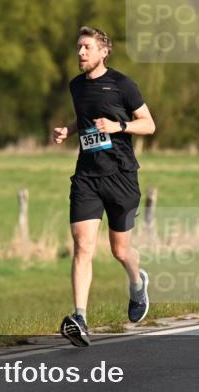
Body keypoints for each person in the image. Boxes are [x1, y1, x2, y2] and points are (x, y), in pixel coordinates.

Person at [51, 26, 156, 346]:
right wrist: (68, 131)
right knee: (83, 246)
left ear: (103, 51)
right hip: (87, 176)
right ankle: (79, 317)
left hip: (121, 176)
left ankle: (138, 284)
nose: (80, 53)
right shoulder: (76, 86)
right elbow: (84, 119)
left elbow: (149, 124)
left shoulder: (124, 85)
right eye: (78, 48)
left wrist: (118, 126)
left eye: (86, 47)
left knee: (120, 250)